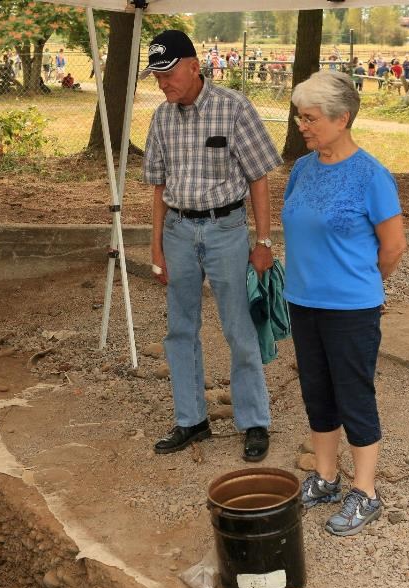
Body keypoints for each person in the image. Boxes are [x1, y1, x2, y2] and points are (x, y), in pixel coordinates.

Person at [142, 30, 280, 462]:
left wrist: (262, 240)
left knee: (239, 328)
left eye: (168, 74)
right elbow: (159, 186)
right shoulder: (161, 118)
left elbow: (259, 177)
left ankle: (254, 421)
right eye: (156, 76)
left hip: (226, 231)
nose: (162, 83)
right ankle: (191, 420)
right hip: (179, 231)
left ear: (193, 66)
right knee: (180, 328)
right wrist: (157, 246)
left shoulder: (234, 108)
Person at [282, 71, 406, 536]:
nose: (302, 125)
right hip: (303, 300)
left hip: (352, 308)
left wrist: (362, 284)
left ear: (342, 118)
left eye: (310, 117)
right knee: (316, 391)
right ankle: (327, 478)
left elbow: (393, 246)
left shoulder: (372, 176)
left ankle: (366, 492)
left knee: (354, 394)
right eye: (300, 116)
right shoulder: (302, 169)